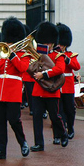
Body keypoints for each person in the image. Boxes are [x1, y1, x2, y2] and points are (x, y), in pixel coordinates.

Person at [0, 17, 30, 160]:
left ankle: (22, 142)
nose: (8, 44)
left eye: (10, 41)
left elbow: (22, 68)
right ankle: (0, 150)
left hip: (13, 91)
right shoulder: (0, 53)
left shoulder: (23, 54)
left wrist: (12, 54)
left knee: (13, 119)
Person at [30, 21, 68, 152]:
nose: (46, 45)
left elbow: (59, 69)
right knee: (36, 117)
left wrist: (44, 74)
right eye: (44, 42)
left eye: (48, 43)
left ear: (52, 43)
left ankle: (62, 134)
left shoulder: (58, 55)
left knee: (55, 116)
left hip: (52, 91)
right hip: (38, 90)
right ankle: (39, 143)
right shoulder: (37, 55)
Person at [57, 23, 80, 140]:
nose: (59, 45)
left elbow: (77, 66)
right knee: (58, 111)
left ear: (65, 44)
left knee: (70, 110)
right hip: (56, 86)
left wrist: (67, 60)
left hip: (67, 85)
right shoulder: (53, 55)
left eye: (61, 44)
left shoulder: (71, 55)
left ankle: (70, 128)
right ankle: (59, 133)